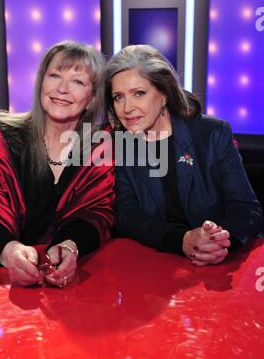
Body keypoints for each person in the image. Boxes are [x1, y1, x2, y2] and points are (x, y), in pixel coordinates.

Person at [0, 41, 114, 286]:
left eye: (77, 81)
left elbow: (97, 212)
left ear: (91, 99)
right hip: (2, 282)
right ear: (41, 83)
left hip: (74, 289)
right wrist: (8, 250)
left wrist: (71, 246)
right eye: (55, 75)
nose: (62, 89)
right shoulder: (6, 134)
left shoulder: (99, 142)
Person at [105, 44, 263, 266]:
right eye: (118, 97)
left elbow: (246, 208)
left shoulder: (212, 133)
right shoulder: (119, 144)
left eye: (139, 93)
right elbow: (126, 216)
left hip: (222, 264)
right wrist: (182, 240)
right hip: (157, 266)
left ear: (164, 95)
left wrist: (219, 242)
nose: (127, 107)